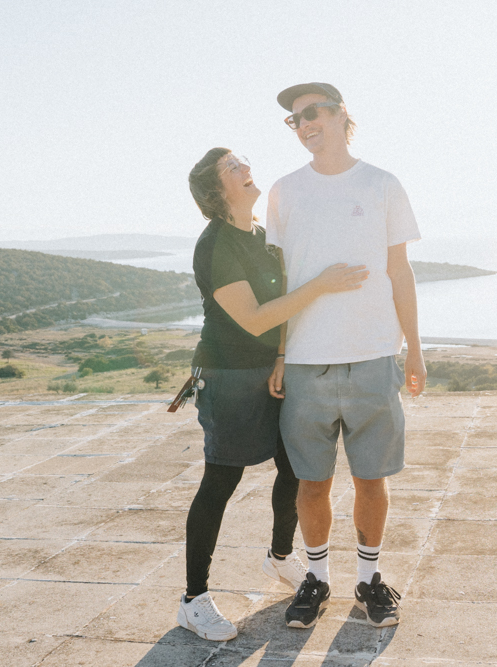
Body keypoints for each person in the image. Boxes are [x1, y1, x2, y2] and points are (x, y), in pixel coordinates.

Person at [177, 147, 370, 642]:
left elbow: (277, 311)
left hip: (272, 370)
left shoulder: (262, 237)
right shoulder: (216, 244)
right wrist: (324, 286)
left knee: (294, 465)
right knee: (220, 481)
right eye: (232, 168)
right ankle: (193, 600)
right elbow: (259, 316)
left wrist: (282, 358)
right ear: (215, 191)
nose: (246, 169)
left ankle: (280, 557)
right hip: (228, 376)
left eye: (243, 162)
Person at [265, 83, 426, 629]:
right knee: (311, 482)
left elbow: (399, 271)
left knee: (371, 479)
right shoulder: (284, 191)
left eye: (312, 113)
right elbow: (282, 281)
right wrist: (282, 353)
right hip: (308, 361)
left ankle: (369, 579)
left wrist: (414, 351)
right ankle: (316, 579)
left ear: (340, 116)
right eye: (294, 120)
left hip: (375, 354)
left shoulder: (382, 184)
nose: (304, 124)